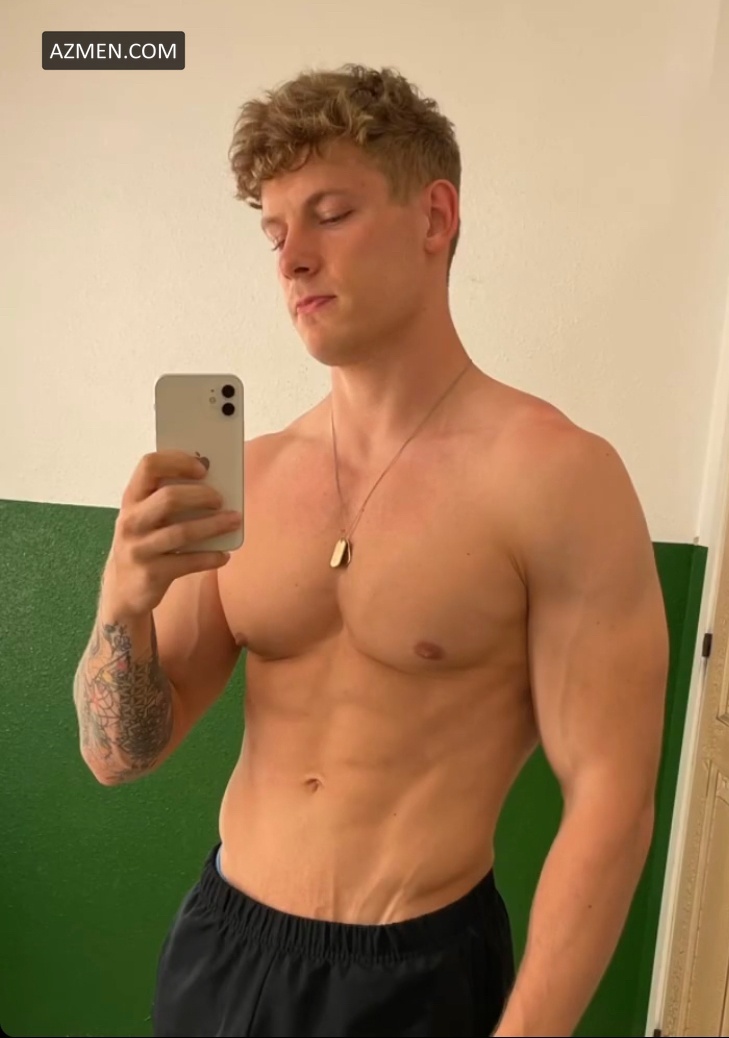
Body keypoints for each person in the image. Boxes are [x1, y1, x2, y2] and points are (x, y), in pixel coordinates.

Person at [72, 64, 670, 1038]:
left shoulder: (557, 478)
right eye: (275, 233)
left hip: (417, 976)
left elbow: (611, 798)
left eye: (331, 215)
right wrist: (122, 600)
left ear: (435, 217)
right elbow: (119, 756)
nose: (293, 261)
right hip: (223, 948)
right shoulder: (247, 476)